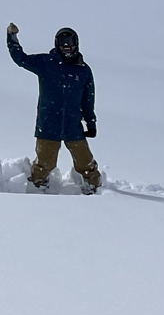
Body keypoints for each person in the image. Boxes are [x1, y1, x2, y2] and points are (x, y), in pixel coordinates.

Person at [6, 22, 101, 193]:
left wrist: (91, 122)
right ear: (56, 44)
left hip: (73, 125)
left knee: (85, 163)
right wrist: (12, 38)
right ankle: (37, 189)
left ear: (76, 43)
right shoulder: (47, 63)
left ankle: (94, 189)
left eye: (69, 41)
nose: (66, 45)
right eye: (62, 41)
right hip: (49, 123)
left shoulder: (83, 70)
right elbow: (21, 59)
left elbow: (88, 99)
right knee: (44, 164)